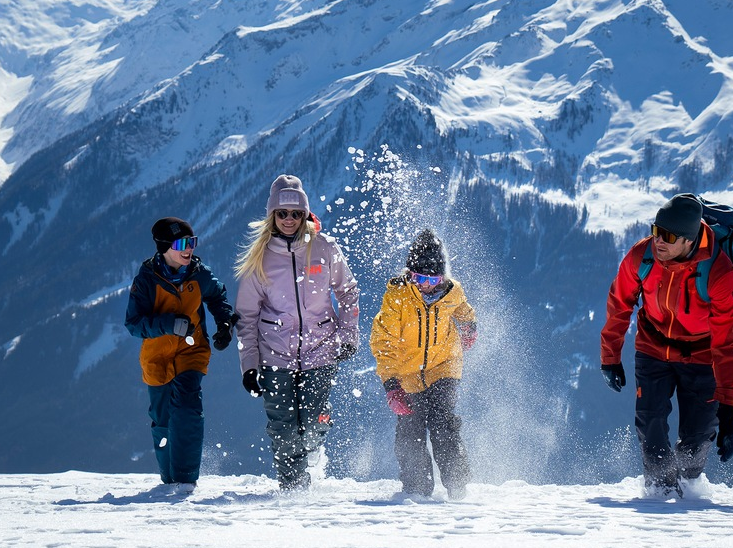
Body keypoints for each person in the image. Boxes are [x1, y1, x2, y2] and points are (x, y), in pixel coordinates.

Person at [600, 194, 733, 495]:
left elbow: (729, 346)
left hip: (703, 357)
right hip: (653, 349)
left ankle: (687, 494)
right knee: (651, 430)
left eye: (667, 236)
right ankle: (658, 496)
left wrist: (729, 414)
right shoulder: (643, 256)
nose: (659, 241)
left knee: (696, 441)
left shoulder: (720, 275)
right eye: (656, 230)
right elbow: (620, 303)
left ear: (689, 240)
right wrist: (610, 357)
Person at [233, 174, 360, 491]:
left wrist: (347, 335)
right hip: (275, 356)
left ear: (305, 215)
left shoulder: (323, 249)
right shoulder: (261, 259)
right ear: (272, 216)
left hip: (321, 351)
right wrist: (249, 365)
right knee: (284, 429)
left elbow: (348, 292)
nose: (289, 219)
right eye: (282, 213)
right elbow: (246, 316)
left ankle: (317, 435)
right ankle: (294, 492)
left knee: (314, 427)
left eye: (296, 213)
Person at [124, 216, 236, 489]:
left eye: (192, 242)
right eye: (183, 243)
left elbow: (218, 297)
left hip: (192, 350)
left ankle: (186, 481)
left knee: (187, 408)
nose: (190, 249)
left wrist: (224, 324)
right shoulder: (147, 280)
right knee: (162, 421)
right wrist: (168, 324)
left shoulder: (199, 273)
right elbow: (133, 324)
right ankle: (169, 480)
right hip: (157, 357)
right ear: (164, 246)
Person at [370, 229, 477, 500]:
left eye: (433, 278)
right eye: (419, 278)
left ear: (443, 276)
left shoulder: (452, 291)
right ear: (410, 274)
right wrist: (392, 386)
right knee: (411, 431)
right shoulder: (397, 296)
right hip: (406, 373)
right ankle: (417, 491)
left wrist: (468, 326)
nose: (426, 285)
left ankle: (457, 486)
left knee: (443, 423)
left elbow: (463, 309)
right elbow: (384, 342)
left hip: (444, 365)